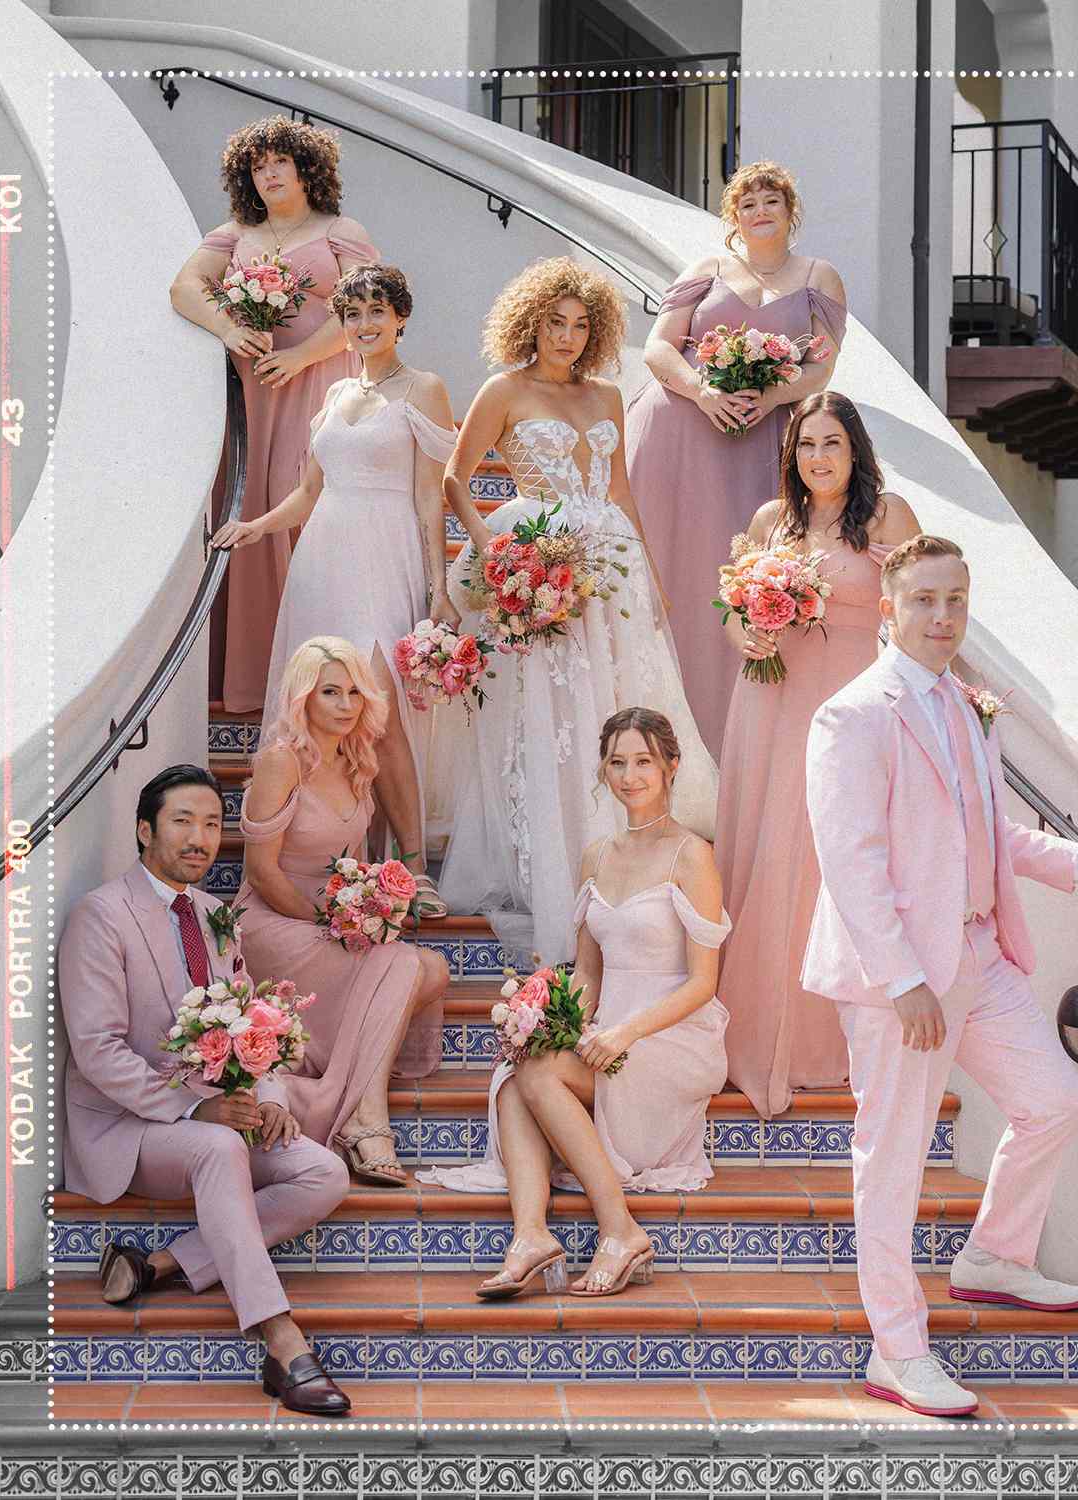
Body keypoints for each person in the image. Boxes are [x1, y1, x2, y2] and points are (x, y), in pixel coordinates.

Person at [801, 534, 1078, 1418]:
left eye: (955, 600)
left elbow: (992, 835)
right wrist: (904, 978)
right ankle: (896, 1352)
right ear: (888, 608)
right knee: (894, 1163)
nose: (942, 617)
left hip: (980, 956)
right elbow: (852, 861)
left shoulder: (966, 706)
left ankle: (992, 1257)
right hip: (901, 978)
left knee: (1055, 1099)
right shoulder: (853, 715)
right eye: (923, 600)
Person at [437, 256, 718, 965]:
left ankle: (633, 866)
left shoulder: (606, 396)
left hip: (610, 565)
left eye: (580, 324)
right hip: (540, 561)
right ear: (530, 322)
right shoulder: (504, 389)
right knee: (552, 717)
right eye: (555, 322)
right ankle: (560, 866)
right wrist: (496, 555)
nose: (566, 336)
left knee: (617, 705)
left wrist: (651, 577)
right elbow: (454, 479)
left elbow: (619, 492)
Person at [58, 765, 352, 1415]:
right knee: (219, 1150)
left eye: (213, 824)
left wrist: (269, 1095)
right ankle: (281, 1341)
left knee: (325, 1173)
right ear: (144, 831)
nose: (200, 837)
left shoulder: (218, 916)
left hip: (213, 1115)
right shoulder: (101, 916)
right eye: (183, 822)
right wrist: (197, 1107)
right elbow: (96, 1048)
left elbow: (251, 1024)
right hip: (127, 1126)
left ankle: (158, 1264)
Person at [422, 709, 729, 1300]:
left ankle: (620, 1231)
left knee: (535, 1075)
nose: (630, 775)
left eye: (643, 761)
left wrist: (624, 1034)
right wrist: (548, 1021)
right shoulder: (597, 856)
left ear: (670, 766)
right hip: (607, 1028)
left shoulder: (692, 855)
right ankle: (531, 1236)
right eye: (617, 762)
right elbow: (588, 972)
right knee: (520, 1071)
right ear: (603, 769)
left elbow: (703, 983)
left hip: (673, 1034)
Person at [213, 264, 456, 918]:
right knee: (318, 712)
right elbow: (309, 493)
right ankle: (314, 857)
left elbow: (430, 497)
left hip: (385, 552)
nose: (366, 325)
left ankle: (411, 862)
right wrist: (256, 526)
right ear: (342, 325)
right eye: (354, 315)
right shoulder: (336, 395)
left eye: (378, 312)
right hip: (323, 557)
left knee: (378, 716)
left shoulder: (424, 389)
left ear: (400, 317)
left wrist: (438, 587)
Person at [714, 392, 922, 1118]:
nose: (818, 458)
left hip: (849, 706)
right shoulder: (773, 523)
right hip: (770, 701)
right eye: (805, 445)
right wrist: (748, 634)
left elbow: (922, 605)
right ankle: (758, 1031)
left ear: (855, 450)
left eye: (831, 443)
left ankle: (823, 1039)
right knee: (770, 857)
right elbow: (735, 618)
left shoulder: (887, 516)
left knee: (829, 854)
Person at [626, 160, 847, 757]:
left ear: (789, 209)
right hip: (679, 430)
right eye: (747, 204)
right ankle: (646, 731)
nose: (759, 212)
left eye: (770, 200)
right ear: (734, 217)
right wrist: (703, 391)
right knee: (671, 565)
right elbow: (657, 347)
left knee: (734, 568)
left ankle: (728, 745)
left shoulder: (819, 278)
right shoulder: (706, 270)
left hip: (761, 437)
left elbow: (822, 366)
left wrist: (769, 395)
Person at [170, 115, 380, 713]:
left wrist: (299, 360)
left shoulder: (343, 230)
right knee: (251, 505)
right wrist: (229, 326)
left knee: (300, 507)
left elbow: (368, 311)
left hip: (318, 385)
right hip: (252, 391)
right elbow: (186, 287)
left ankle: (318, 677)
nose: (268, 174)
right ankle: (250, 680)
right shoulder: (237, 232)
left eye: (278, 162)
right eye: (257, 166)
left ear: (305, 167)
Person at [234, 638, 451, 1185]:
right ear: (303, 697)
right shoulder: (281, 762)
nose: (346, 703)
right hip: (271, 918)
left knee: (435, 970)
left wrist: (368, 909)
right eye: (331, 691)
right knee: (403, 966)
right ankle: (366, 1117)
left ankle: (351, 1088)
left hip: (325, 919)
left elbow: (351, 868)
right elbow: (262, 872)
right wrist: (330, 923)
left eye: (355, 691)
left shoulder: (358, 761)